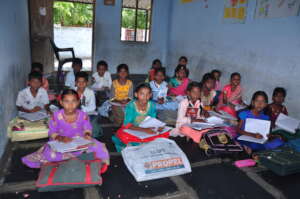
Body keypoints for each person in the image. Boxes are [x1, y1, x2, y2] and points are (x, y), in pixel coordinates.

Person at [22, 89, 109, 169]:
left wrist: (87, 135)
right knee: (50, 154)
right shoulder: (56, 116)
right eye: (67, 101)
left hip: (80, 142)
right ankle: (78, 159)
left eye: (73, 101)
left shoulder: (83, 115)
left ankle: (99, 165)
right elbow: (52, 131)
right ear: (61, 102)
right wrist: (61, 138)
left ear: (78, 102)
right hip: (60, 142)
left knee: (99, 146)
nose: (70, 105)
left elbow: (87, 127)